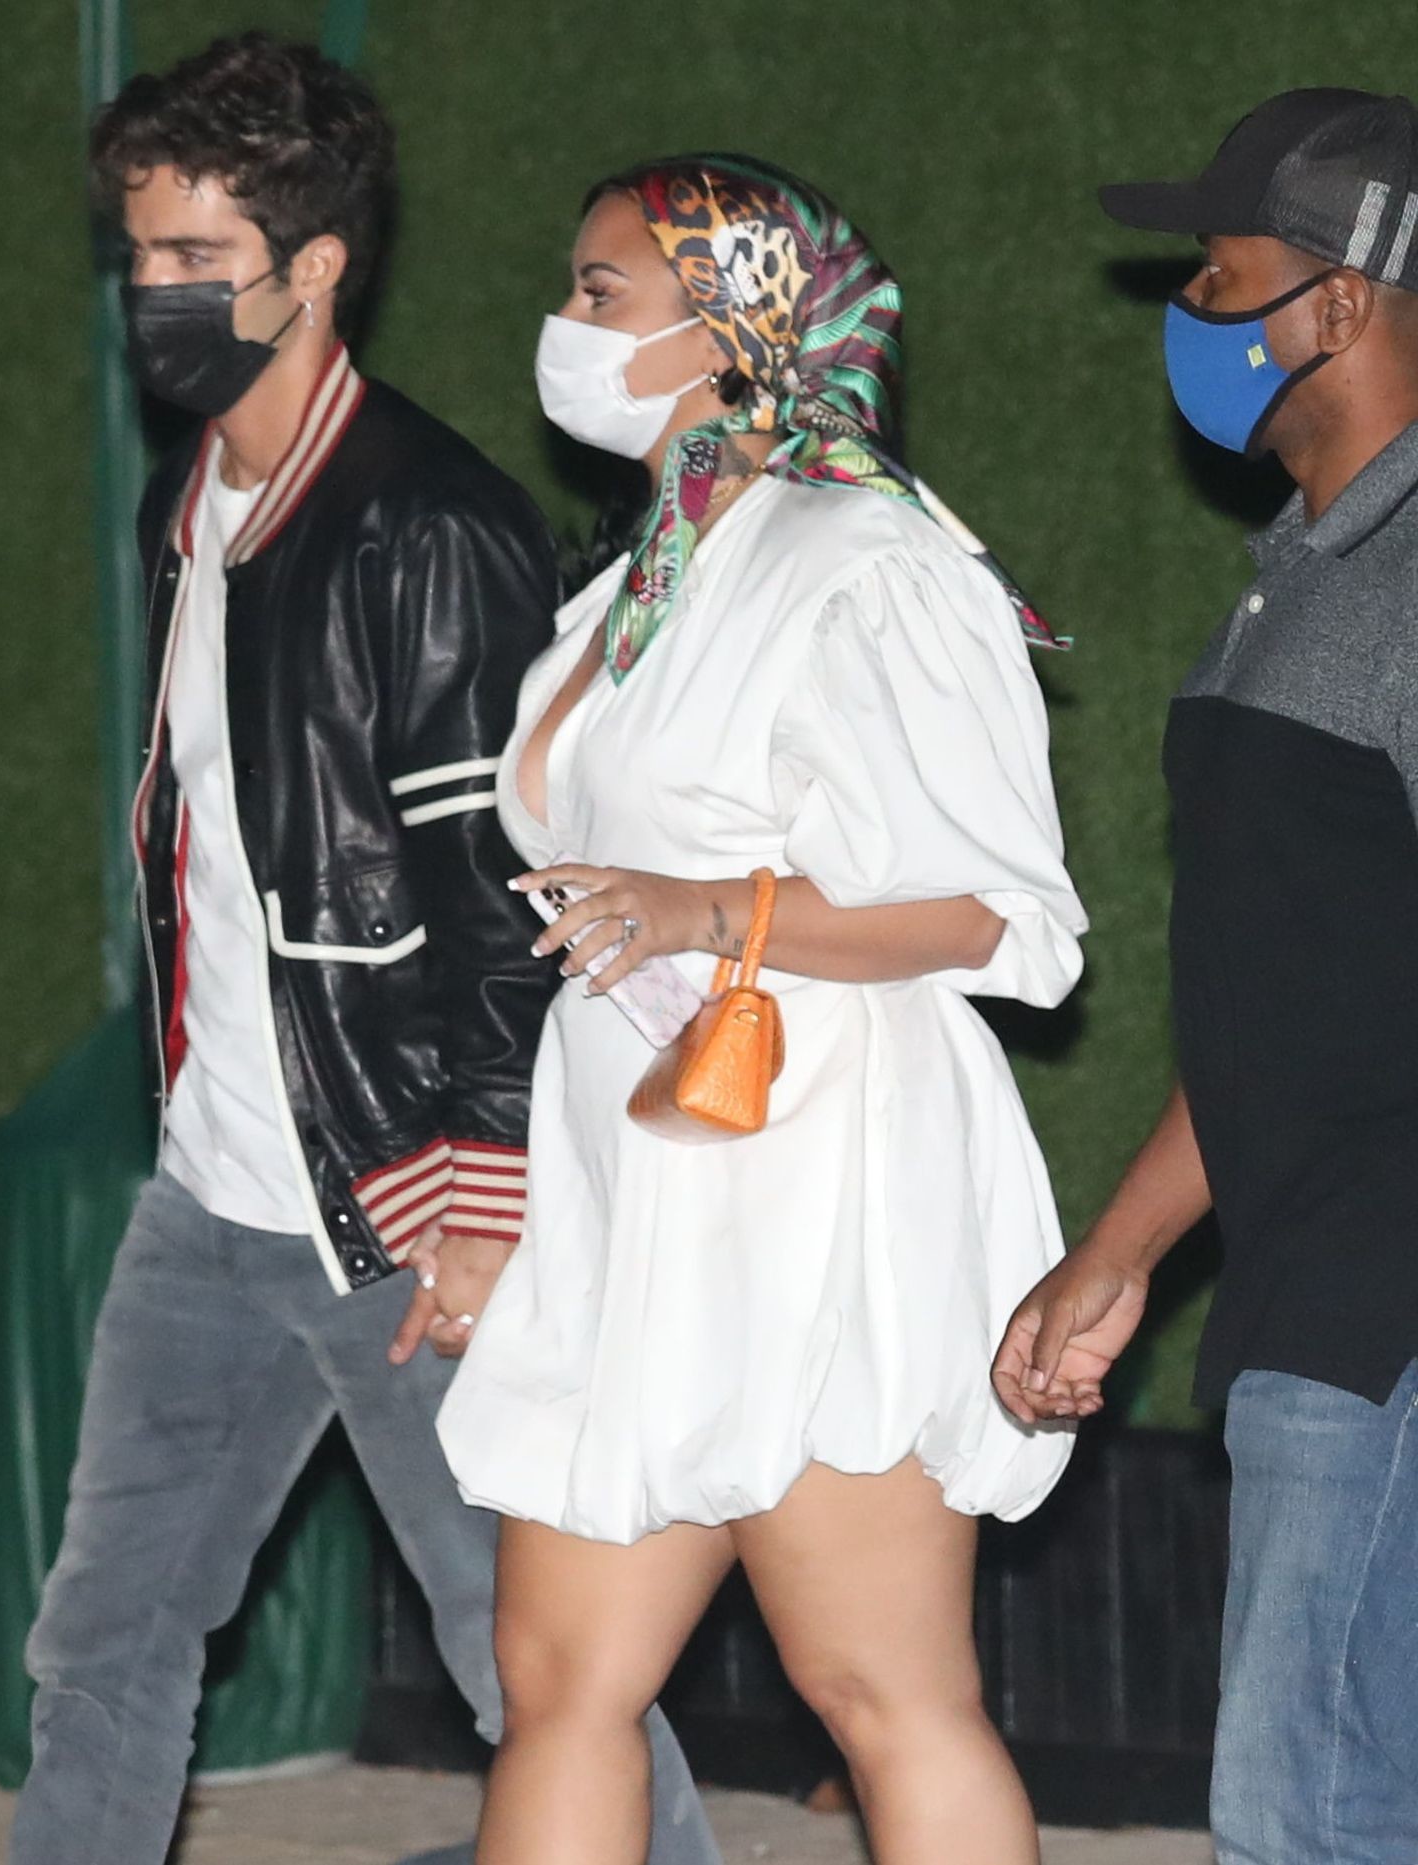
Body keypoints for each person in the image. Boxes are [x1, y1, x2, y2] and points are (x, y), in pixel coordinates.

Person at [9, 35, 721, 1865]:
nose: (155, 291)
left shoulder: (428, 522)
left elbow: (506, 895)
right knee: (103, 1635)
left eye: (196, 257)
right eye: (139, 254)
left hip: (405, 1196)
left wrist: (487, 1197)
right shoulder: (188, 506)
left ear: (314, 266)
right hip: (212, 1192)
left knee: (537, 1660)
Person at [409, 154, 1087, 1865]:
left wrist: (713, 908)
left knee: (881, 1685)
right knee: (558, 1675)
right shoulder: (638, 579)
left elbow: (1001, 914)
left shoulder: (867, 557)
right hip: (632, 1177)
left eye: (601, 293)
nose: (564, 325)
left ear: (729, 327)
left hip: (824, 1178)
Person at [993, 88, 1418, 1863]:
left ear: (1338, 301)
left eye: (1219, 277)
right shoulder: (1301, 572)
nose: (1190, 310)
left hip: (1381, 1305)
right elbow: (1288, 1005)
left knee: (1303, 1811)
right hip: (1306, 1280)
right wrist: (1124, 1249)